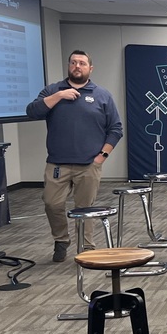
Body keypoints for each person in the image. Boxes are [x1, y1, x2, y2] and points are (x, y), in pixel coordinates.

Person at [25, 50, 123, 261]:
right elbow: (32, 111)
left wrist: (101, 157)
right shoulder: (53, 90)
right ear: (68, 66)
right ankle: (61, 239)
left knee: (85, 208)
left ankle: (87, 247)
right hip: (57, 163)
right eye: (73, 63)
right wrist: (60, 95)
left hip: (88, 163)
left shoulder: (102, 95)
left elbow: (115, 128)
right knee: (52, 203)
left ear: (90, 68)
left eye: (82, 63)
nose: (77, 66)